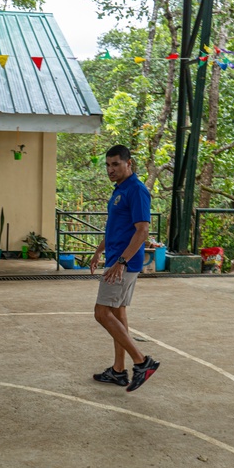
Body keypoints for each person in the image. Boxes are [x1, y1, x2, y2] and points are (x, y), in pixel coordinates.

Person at [88, 145, 159, 393]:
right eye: (108, 165)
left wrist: (121, 262)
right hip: (116, 260)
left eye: (116, 164)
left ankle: (142, 362)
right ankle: (119, 371)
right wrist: (99, 251)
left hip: (123, 264)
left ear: (129, 163)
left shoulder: (137, 190)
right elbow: (115, 227)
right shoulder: (120, 190)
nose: (111, 169)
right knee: (117, 314)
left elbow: (142, 231)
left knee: (101, 312)